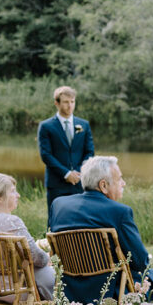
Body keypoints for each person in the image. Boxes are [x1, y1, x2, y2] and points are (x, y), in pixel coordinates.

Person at [49, 156, 153, 305]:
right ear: (103, 186)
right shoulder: (119, 212)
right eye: (119, 179)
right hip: (111, 291)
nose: (123, 183)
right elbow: (141, 263)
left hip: (70, 290)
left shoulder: (59, 205)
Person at [0, 173, 55, 300]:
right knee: (54, 275)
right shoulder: (11, 222)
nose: (18, 195)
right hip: (15, 290)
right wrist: (48, 257)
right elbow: (36, 257)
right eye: (13, 191)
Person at [38, 85, 95, 217]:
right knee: (56, 219)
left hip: (80, 182)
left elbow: (89, 152)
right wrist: (66, 173)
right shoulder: (46, 126)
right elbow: (46, 155)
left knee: (80, 219)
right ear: (56, 103)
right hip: (57, 183)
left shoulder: (84, 125)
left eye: (72, 102)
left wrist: (78, 172)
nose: (70, 106)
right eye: (65, 102)